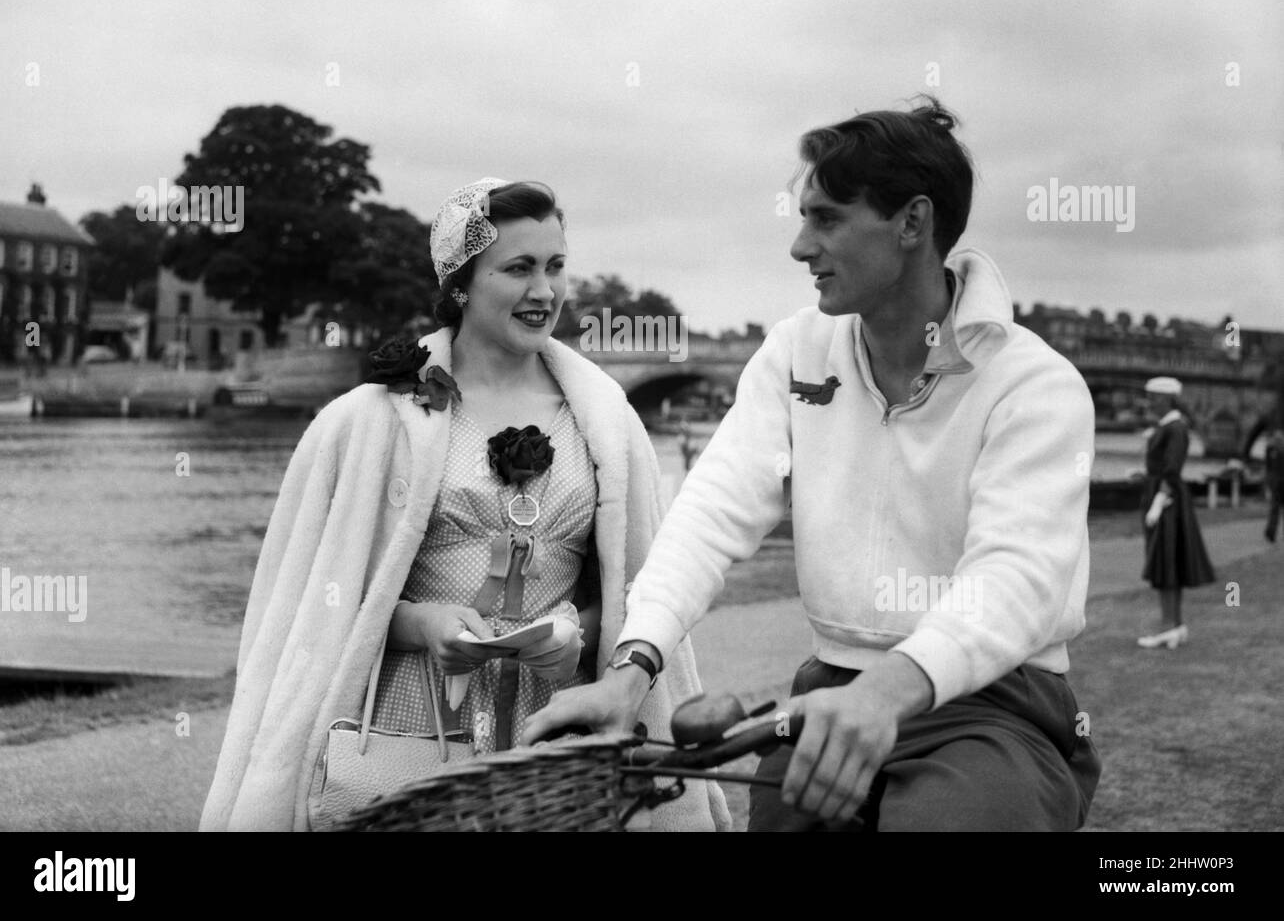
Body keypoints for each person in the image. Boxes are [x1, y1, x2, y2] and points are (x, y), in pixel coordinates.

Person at [525, 97, 1102, 832]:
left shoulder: (1034, 383)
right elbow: (712, 511)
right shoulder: (796, 351)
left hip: (993, 703)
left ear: (912, 223)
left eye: (825, 218)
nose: (800, 247)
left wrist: (886, 693)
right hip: (831, 689)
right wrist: (631, 667)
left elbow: (1018, 577)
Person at [201, 178, 728, 831]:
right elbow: (322, 606)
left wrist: (579, 631)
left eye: (556, 266)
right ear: (459, 285)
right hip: (410, 731)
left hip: (558, 740)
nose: (545, 292)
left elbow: (635, 587)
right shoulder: (368, 421)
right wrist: (425, 625)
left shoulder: (607, 422)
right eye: (519, 269)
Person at [1136, 376, 1216, 648]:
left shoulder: (1175, 428)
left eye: (1153, 397)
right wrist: (1144, 475)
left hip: (1168, 501)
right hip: (1162, 493)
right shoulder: (1168, 426)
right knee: (1167, 563)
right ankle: (1174, 625)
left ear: (1167, 399)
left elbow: (1172, 468)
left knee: (1166, 562)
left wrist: (1159, 500)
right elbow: (1160, 466)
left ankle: (1169, 625)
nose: (1149, 402)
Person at [1241, 408, 1284, 544]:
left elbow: (1253, 434)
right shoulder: (1271, 416)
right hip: (1276, 473)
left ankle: (1271, 531)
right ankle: (1271, 531)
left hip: (1275, 473)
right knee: (1276, 502)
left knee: (1275, 503)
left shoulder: (1271, 415)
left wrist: (1246, 455)